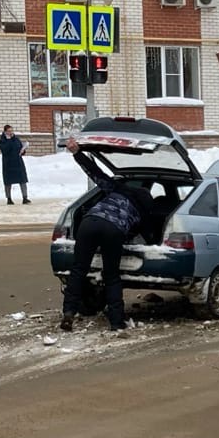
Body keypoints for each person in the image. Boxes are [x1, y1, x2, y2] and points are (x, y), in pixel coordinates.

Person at [59, 139, 155, 334]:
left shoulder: (118, 189)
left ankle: (69, 313)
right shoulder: (144, 213)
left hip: (90, 222)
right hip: (113, 230)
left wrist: (77, 153)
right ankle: (116, 322)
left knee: (78, 270)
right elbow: (149, 238)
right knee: (111, 275)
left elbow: (96, 173)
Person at [0, 124, 29, 205]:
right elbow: (4, 150)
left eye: (12, 131)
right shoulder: (2, 140)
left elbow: (19, 147)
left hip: (18, 162)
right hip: (8, 164)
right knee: (8, 182)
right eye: (9, 131)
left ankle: (25, 197)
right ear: (5, 132)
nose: (11, 132)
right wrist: (8, 140)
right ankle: (9, 198)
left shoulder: (16, 139)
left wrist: (23, 151)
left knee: (22, 180)